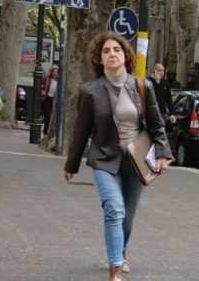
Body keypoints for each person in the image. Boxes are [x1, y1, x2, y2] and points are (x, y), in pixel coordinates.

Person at [64, 33, 173, 281]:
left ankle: (120, 251)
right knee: (114, 209)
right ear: (99, 59)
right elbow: (80, 130)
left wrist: (163, 155)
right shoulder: (90, 91)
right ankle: (115, 268)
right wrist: (72, 164)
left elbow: (157, 124)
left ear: (125, 56)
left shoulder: (142, 86)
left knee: (128, 215)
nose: (112, 54)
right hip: (104, 159)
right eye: (106, 51)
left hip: (136, 162)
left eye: (117, 50)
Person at [42, 65, 59, 138]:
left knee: (52, 117)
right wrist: (43, 91)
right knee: (47, 116)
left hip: (54, 100)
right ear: (51, 72)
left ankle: (49, 133)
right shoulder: (47, 79)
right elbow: (42, 86)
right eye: (54, 71)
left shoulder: (59, 81)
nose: (55, 73)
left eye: (56, 72)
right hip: (47, 99)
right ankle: (45, 132)